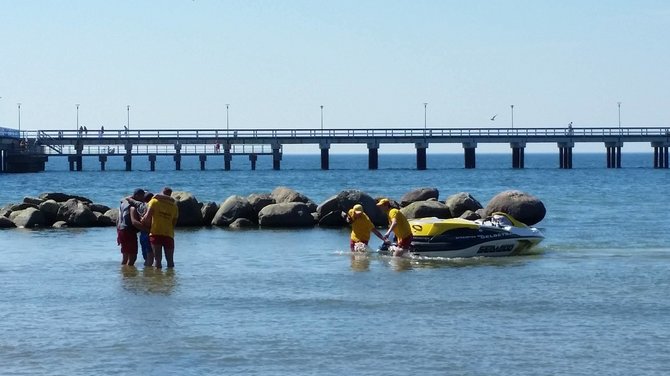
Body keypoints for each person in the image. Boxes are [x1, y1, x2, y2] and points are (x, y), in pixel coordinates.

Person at [142, 187, 179, 268]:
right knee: (170, 261)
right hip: (168, 234)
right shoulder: (174, 206)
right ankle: (170, 278)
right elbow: (174, 223)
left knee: (157, 260)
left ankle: (158, 279)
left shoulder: (154, 201)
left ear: (162, 192)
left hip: (155, 233)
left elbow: (147, 217)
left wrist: (144, 224)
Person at [117, 188, 146, 266]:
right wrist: (147, 230)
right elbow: (134, 222)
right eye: (142, 196)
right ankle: (129, 275)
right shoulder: (132, 206)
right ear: (136, 196)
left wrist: (118, 234)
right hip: (129, 231)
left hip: (121, 230)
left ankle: (124, 275)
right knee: (132, 257)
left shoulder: (123, 203)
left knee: (125, 256)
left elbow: (119, 219)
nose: (143, 198)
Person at [137, 192, 154, 266]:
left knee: (145, 254)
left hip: (142, 233)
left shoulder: (140, 207)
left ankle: (146, 271)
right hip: (149, 232)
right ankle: (149, 272)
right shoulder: (150, 206)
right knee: (150, 255)